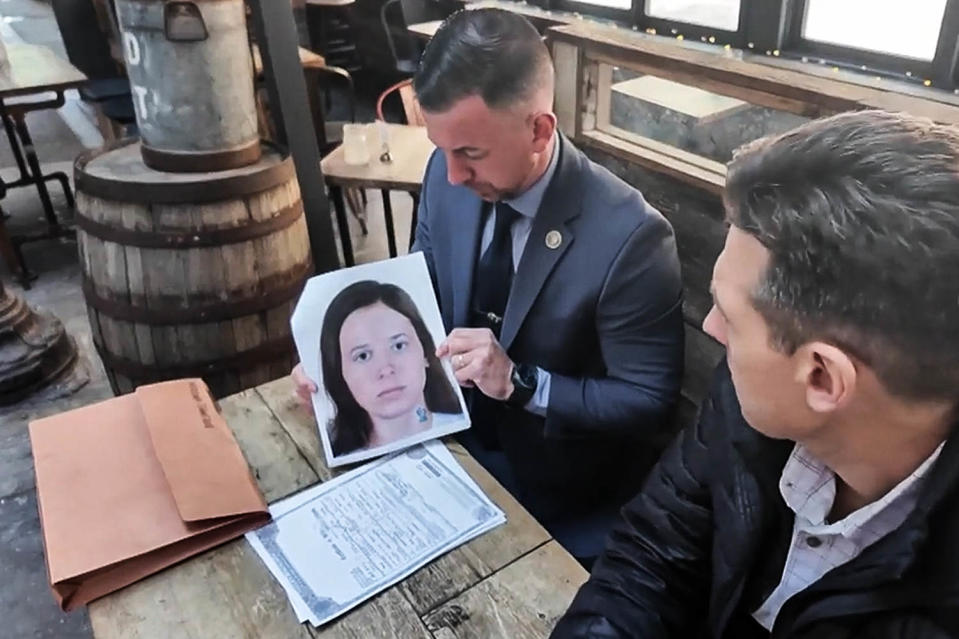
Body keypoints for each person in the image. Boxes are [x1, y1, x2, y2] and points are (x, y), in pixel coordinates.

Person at [295, 8, 684, 566]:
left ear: (539, 130)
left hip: (564, 498)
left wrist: (523, 383)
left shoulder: (631, 237)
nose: (452, 175)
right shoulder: (445, 177)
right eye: (442, 148)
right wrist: (328, 363)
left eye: (470, 154)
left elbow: (649, 402)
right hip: (450, 448)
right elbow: (418, 295)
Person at [551, 109, 959, 638]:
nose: (712, 326)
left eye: (730, 314)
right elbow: (654, 552)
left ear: (821, 378)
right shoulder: (748, 401)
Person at [319, 280, 462, 457]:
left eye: (399, 346)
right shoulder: (336, 454)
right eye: (363, 356)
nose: (386, 368)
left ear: (425, 353)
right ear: (340, 374)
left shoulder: (468, 436)